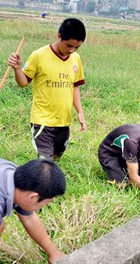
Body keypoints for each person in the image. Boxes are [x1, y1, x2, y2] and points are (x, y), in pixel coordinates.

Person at [8, 18, 87, 160]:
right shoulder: (39, 55)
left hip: (63, 121)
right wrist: (18, 69)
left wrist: (80, 112)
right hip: (42, 120)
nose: (72, 50)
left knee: (57, 155)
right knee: (45, 162)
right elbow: (23, 82)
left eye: (76, 47)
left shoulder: (75, 58)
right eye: (69, 45)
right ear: (59, 36)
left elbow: (75, 87)